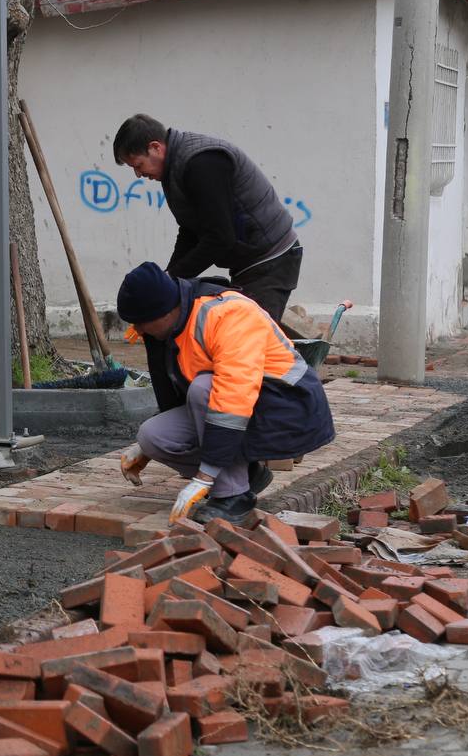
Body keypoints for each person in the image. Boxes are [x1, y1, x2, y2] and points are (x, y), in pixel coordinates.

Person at [115, 262, 334, 526]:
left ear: (163, 311)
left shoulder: (228, 314)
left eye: (140, 323)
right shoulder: (174, 326)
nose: (138, 330)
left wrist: (204, 478)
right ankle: (248, 475)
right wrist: (146, 449)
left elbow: (231, 398)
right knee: (153, 436)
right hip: (242, 407)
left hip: (288, 407)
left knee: (204, 388)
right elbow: (180, 396)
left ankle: (233, 497)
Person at [112, 114, 301, 322]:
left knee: (250, 338)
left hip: (272, 258)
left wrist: (174, 278)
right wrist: (170, 277)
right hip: (252, 260)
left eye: (138, 165)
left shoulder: (201, 164)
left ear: (156, 147)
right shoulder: (174, 167)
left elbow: (220, 237)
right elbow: (191, 231)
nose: (138, 175)